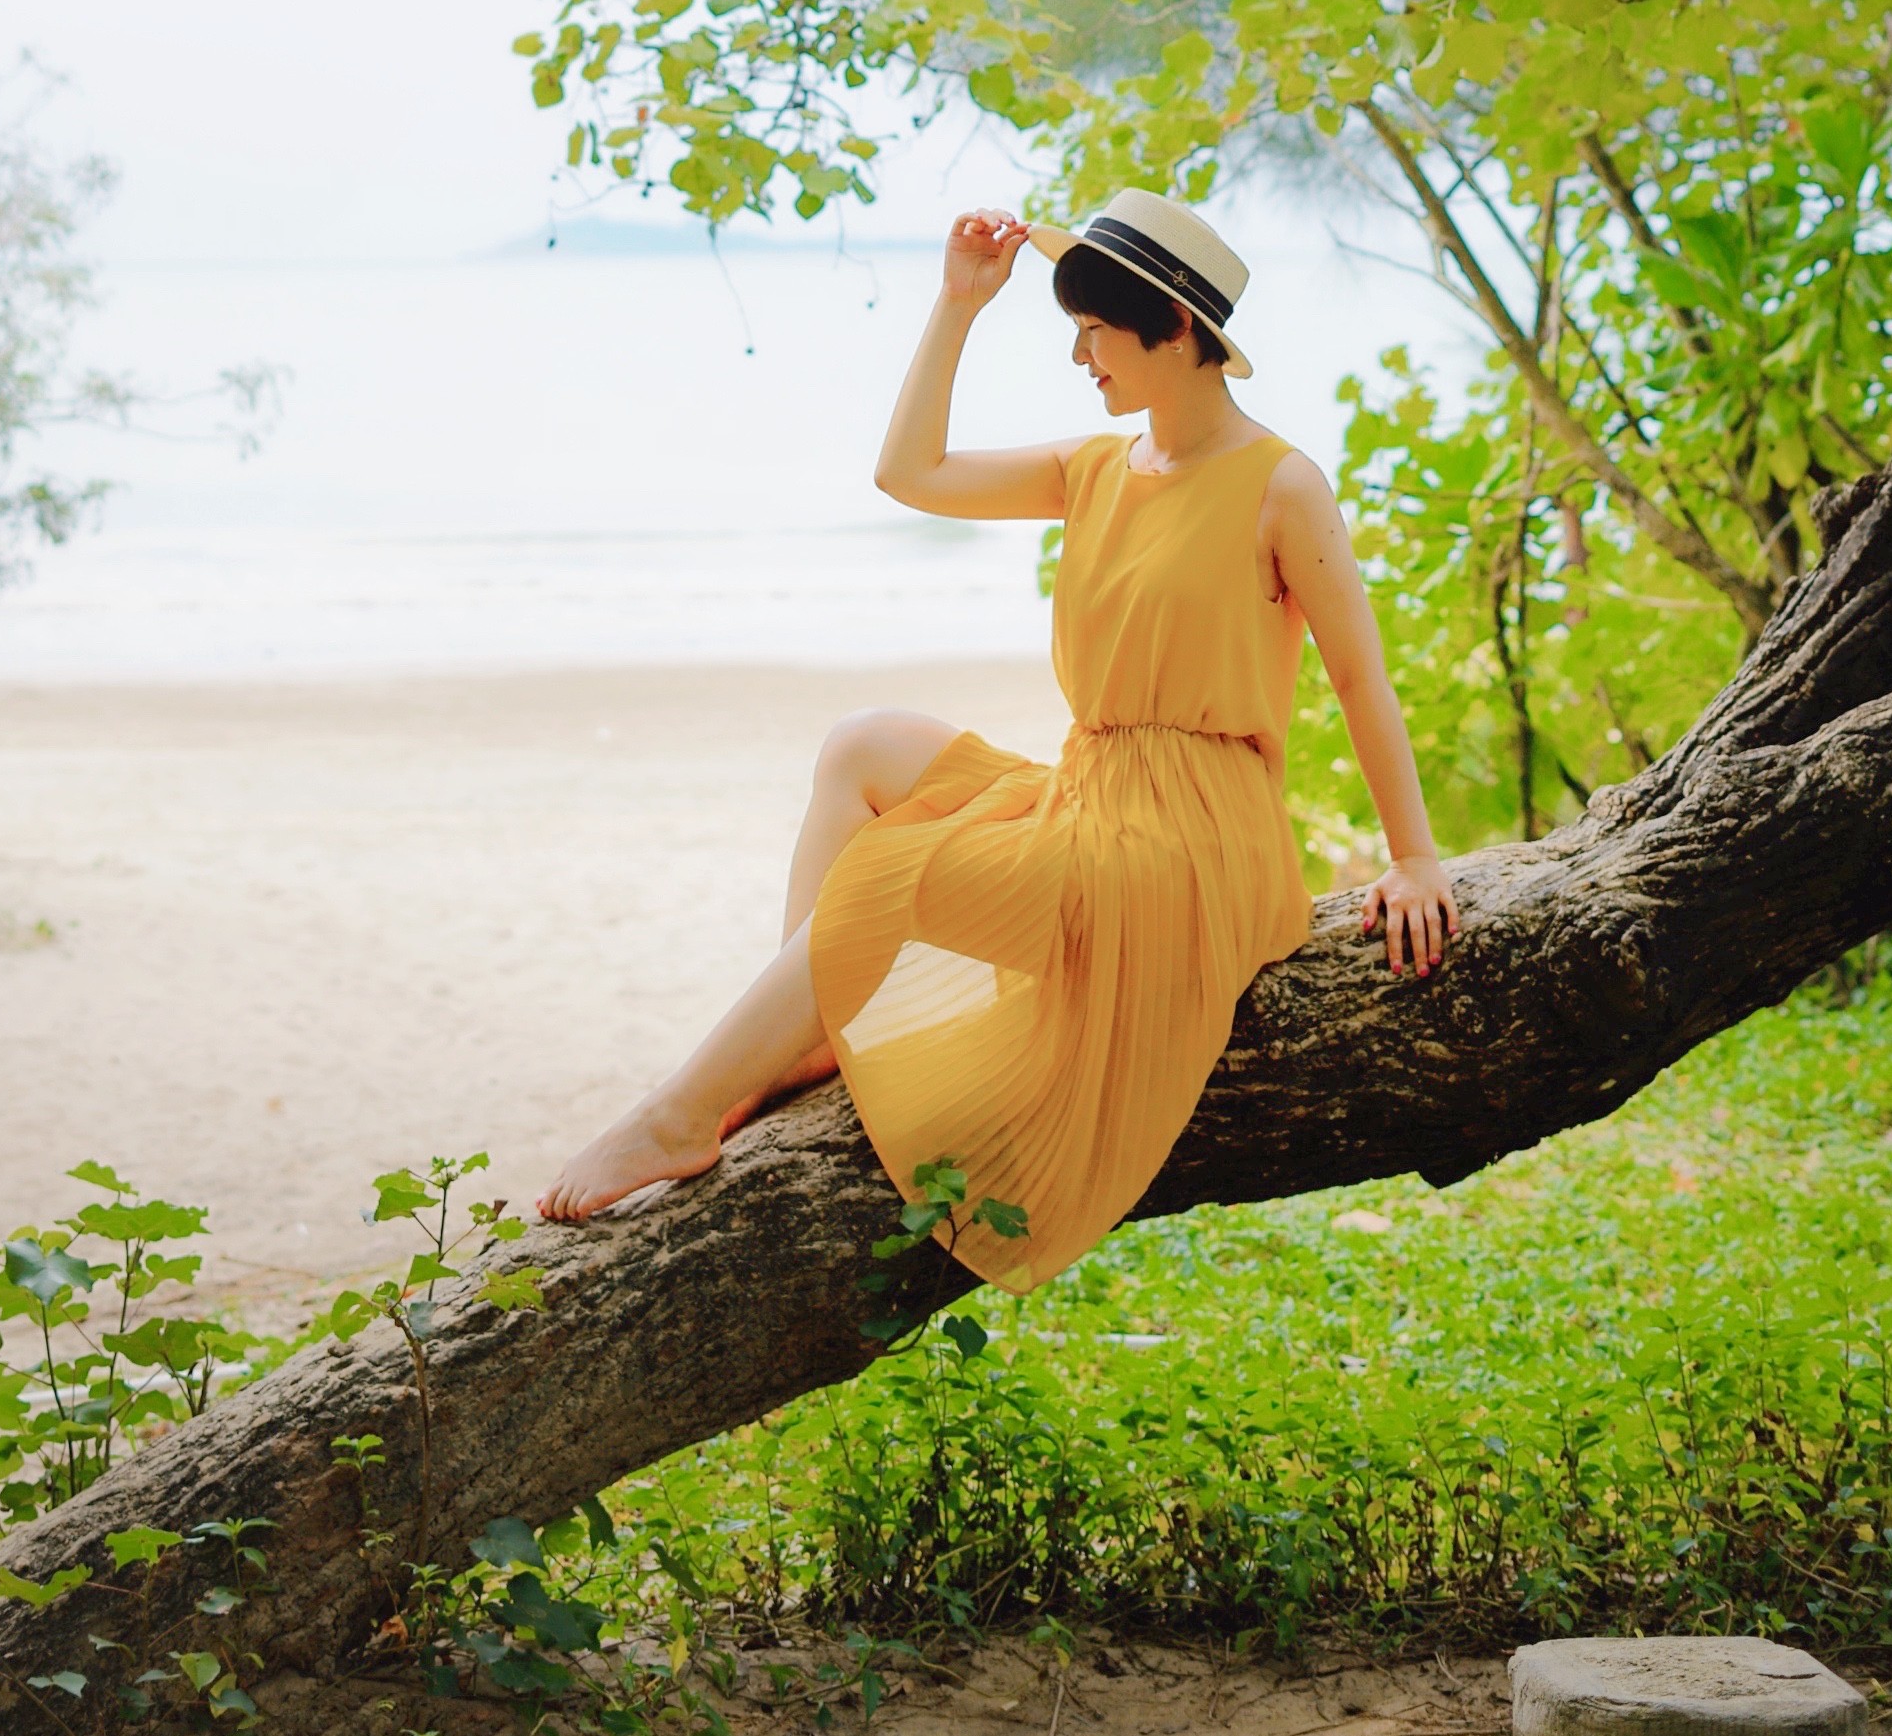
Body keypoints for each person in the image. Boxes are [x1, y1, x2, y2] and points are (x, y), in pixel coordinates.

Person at [536, 194, 1461, 1284]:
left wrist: (1411, 859)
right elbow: (907, 474)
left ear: (1172, 328)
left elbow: (1358, 678)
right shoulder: (1097, 469)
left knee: (898, 872)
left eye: (1094, 331)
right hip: (1092, 793)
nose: (1077, 355)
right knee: (862, 746)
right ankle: (807, 1030)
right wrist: (956, 306)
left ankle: (680, 1115)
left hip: (1192, 844)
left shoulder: (1280, 485)